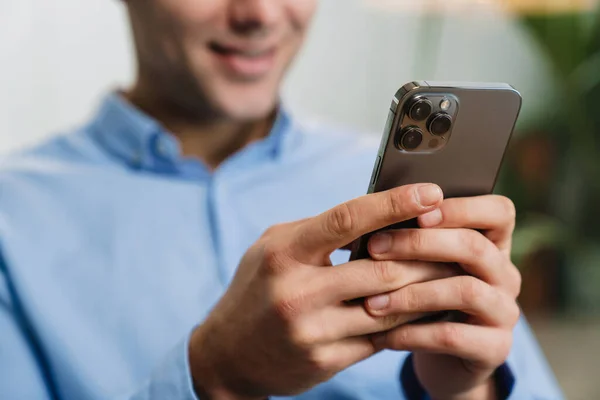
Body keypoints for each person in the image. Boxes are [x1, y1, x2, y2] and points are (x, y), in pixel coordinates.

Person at [0, 1, 563, 399]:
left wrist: (467, 390)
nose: (262, 14)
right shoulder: (12, 217)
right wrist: (215, 378)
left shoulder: (401, 185)